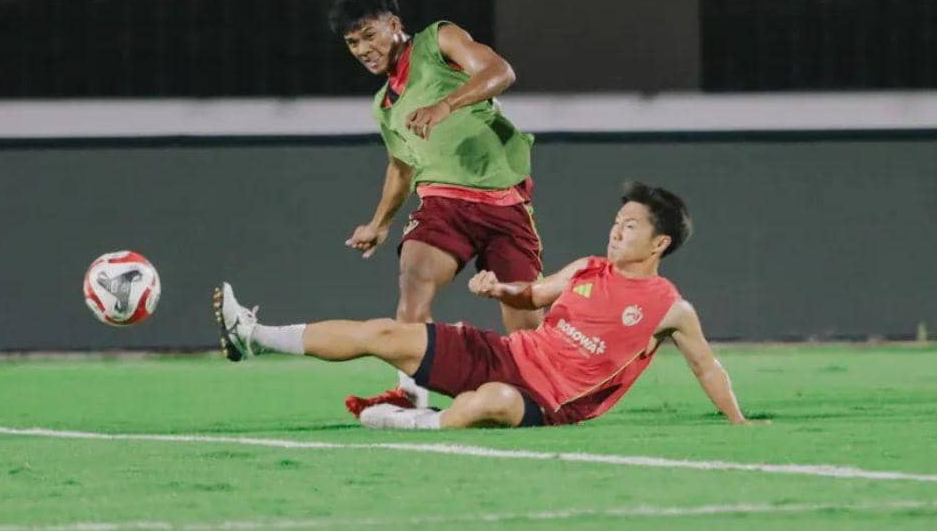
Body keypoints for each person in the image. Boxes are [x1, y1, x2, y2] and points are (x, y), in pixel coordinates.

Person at [212, 182, 752, 428]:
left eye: (629, 227)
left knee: (489, 401)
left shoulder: (669, 307)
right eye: (616, 223)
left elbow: (706, 364)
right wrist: (500, 290)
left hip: (548, 401)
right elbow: (535, 295)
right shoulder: (588, 268)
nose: (616, 233)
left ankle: (411, 424)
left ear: (659, 243)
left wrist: (738, 421)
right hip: (506, 353)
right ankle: (253, 335)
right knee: (385, 334)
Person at [327, 0, 544, 412]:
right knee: (413, 290)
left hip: (504, 204)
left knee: (525, 323)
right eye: (353, 42)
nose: (363, 49)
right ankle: (409, 397)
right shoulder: (384, 105)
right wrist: (380, 223)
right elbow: (401, 168)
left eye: (369, 35)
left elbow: (500, 71)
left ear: (394, 24)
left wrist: (446, 105)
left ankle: (541, 392)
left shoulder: (437, 39)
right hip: (443, 205)